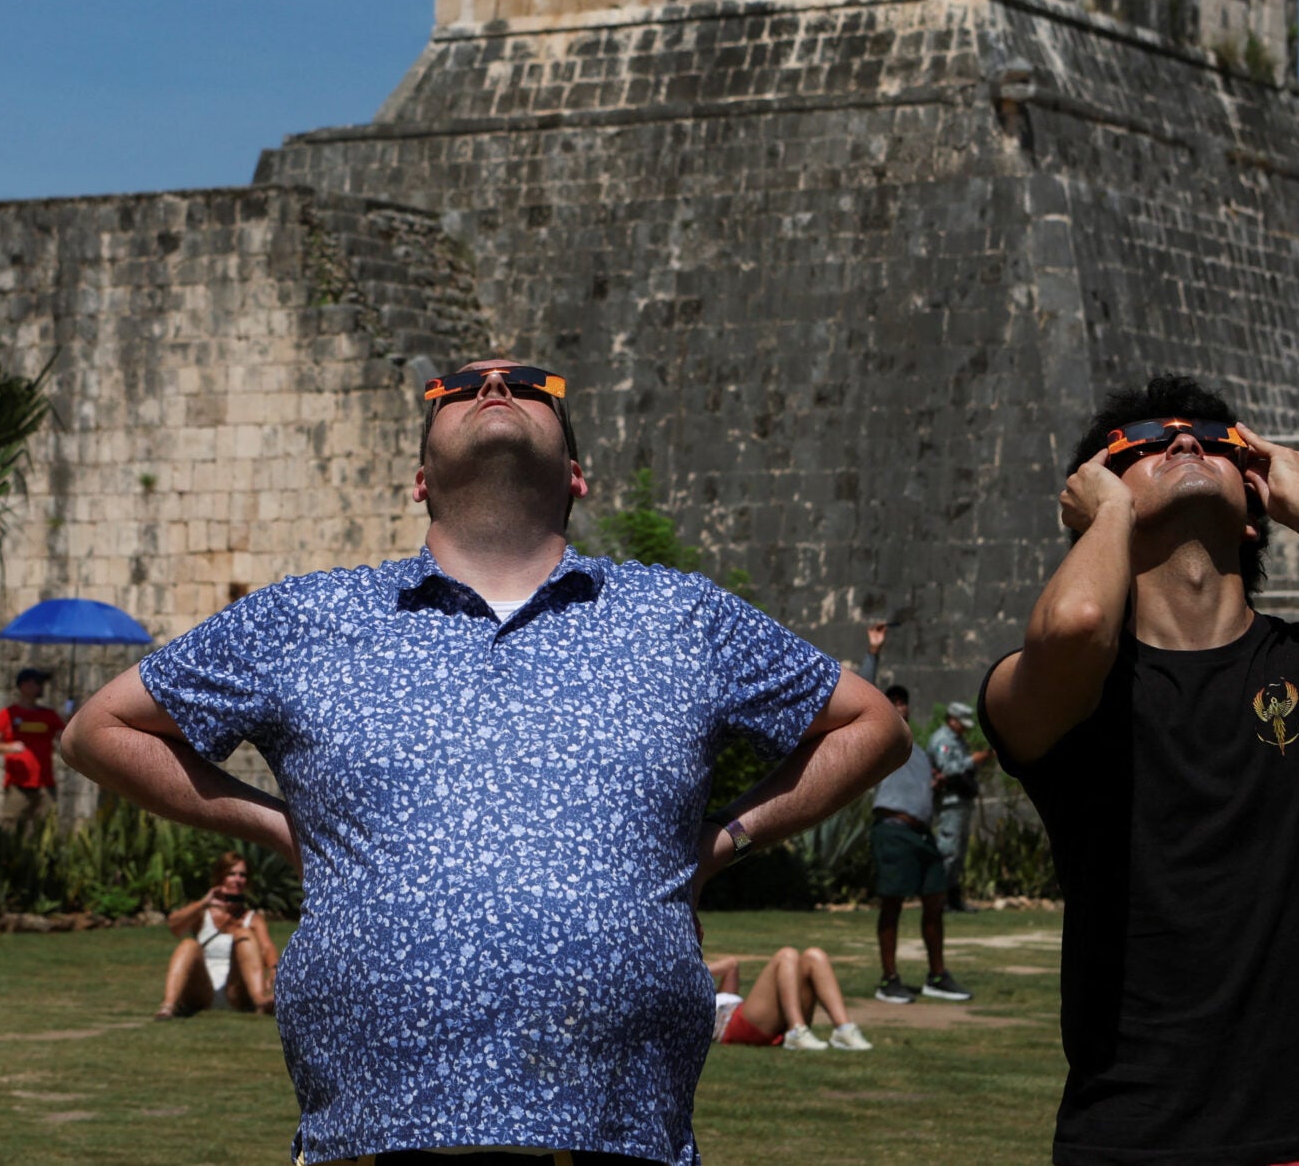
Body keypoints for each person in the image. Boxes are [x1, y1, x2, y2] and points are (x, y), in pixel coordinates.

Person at [62, 357, 908, 1165]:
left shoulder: (679, 615)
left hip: (617, 1129)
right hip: (376, 1128)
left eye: (533, 384)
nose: (495, 384)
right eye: (458, 385)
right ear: (420, 478)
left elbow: (871, 725)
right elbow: (100, 729)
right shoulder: (307, 617)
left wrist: (724, 843)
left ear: (576, 473)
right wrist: (280, 827)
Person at [979, 375, 1299, 1166]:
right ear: (1096, 493)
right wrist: (1109, 518)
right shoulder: (1069, 692)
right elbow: (1076, 623)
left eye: (1215, 440)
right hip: (1134, 1132)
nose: (1185, 443)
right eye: (1145, 442)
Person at [863, 673, 965, 1006]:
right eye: (894, 701)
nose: (900, 706)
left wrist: (933, 783)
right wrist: (872, 653)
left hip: (922, 835)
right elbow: (863, 687)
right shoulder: (878, 736)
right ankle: (888, 979)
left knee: (935, 901)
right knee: (892, 903)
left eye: (904, 701)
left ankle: (937, 976)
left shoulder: (919, 752)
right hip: (892, 830)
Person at [158, 851, 279, 1018]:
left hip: (236, 990)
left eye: (242, 875)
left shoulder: (253, 919)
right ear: (220, 877)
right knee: (189, 945)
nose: (237, 880)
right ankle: (168, 1005)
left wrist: (274, 969)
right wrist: (204, 903)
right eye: (232, 874)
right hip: (203, 989)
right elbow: (174, 926)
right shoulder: (203, 913)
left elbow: (267, 948)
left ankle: (260, 1001)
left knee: (244, 934)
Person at [706, 946, 873, 1051]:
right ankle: (796, 1031)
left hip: (751, 1013)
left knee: (814, 956)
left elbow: (731, 964)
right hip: (730, 1024)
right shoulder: (688, 999)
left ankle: (844, 1030)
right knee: (786, 955)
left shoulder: (719, 993)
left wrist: (691, 968)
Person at [925, 700, 990, 911]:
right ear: (952, 720)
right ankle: (939, 898)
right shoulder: (942, 740)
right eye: (961, 722)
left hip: (962, 800)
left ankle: (953, 899)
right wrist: (973, 760)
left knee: (959, 852)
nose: (963, 727)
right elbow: (947, 769)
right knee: (948, 850)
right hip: (949, 801)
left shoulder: (958, 740)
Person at [0, 667, 66, 830]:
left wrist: (72, 717)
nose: (41, 687)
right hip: (18, 784)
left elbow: (65, 737)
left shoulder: (49, 715)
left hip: (44, 783)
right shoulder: (8, 714)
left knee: (47, 829)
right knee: (11, 828)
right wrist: (8, 747)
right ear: (24, 685)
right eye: (38, 683)